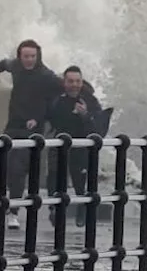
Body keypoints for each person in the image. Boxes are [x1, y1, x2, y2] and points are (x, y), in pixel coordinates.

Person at [0, 39, 64, 230]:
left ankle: (14, 212)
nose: (29, 60)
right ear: (20, 56)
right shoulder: (17, 67)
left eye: (33, 56)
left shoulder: (46, 76)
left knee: (20, 169)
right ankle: (7, 204)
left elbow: (60, 94)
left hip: (32, 129)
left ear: (38, 56)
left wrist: (40, 118)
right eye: (26, 56)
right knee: (7, 166)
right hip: (13, 124)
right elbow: (3, 64)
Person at [46, 65, 103, 227]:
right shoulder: (57, 98)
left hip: (82, 144)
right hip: (60, 142)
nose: (74, 85)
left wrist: (85, 115)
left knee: (80, 182)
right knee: (55, 177)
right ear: (64, 82)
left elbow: (97, 127)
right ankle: (54, 208)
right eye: (70, 81)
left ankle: (82, 210)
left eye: (77, 81)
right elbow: (48, 116)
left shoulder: (89, 99)